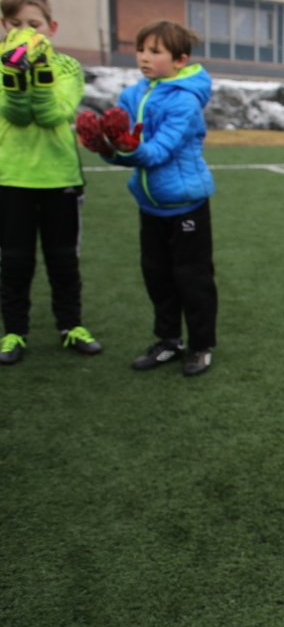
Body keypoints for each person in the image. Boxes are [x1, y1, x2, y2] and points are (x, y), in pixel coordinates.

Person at [78, 20, 218, 375]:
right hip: (150, 204)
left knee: (192, 279)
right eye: (141, 49)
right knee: (156, 275)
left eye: (155, 51)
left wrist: (127, 146)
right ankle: (169, 341)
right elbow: (125, 151)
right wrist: (105, 147)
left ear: (179, 60)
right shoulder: (133, 94)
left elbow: (158, 152)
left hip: (186, 204)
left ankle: (201, 346)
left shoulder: (185, 100)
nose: (144, 57)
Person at [0, 0, 102, 365]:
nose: (26, 32)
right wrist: (13, 72)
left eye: (34, 24)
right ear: (4, 26)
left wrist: (40, 71)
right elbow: (16, 114)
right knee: (14, 261)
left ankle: (70, 326)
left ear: (51, 28)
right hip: (12, 178)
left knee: (63, 259)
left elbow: (53, 114)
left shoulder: (68, 67)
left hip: (59, 177)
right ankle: (13, 332)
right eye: (16, 25)